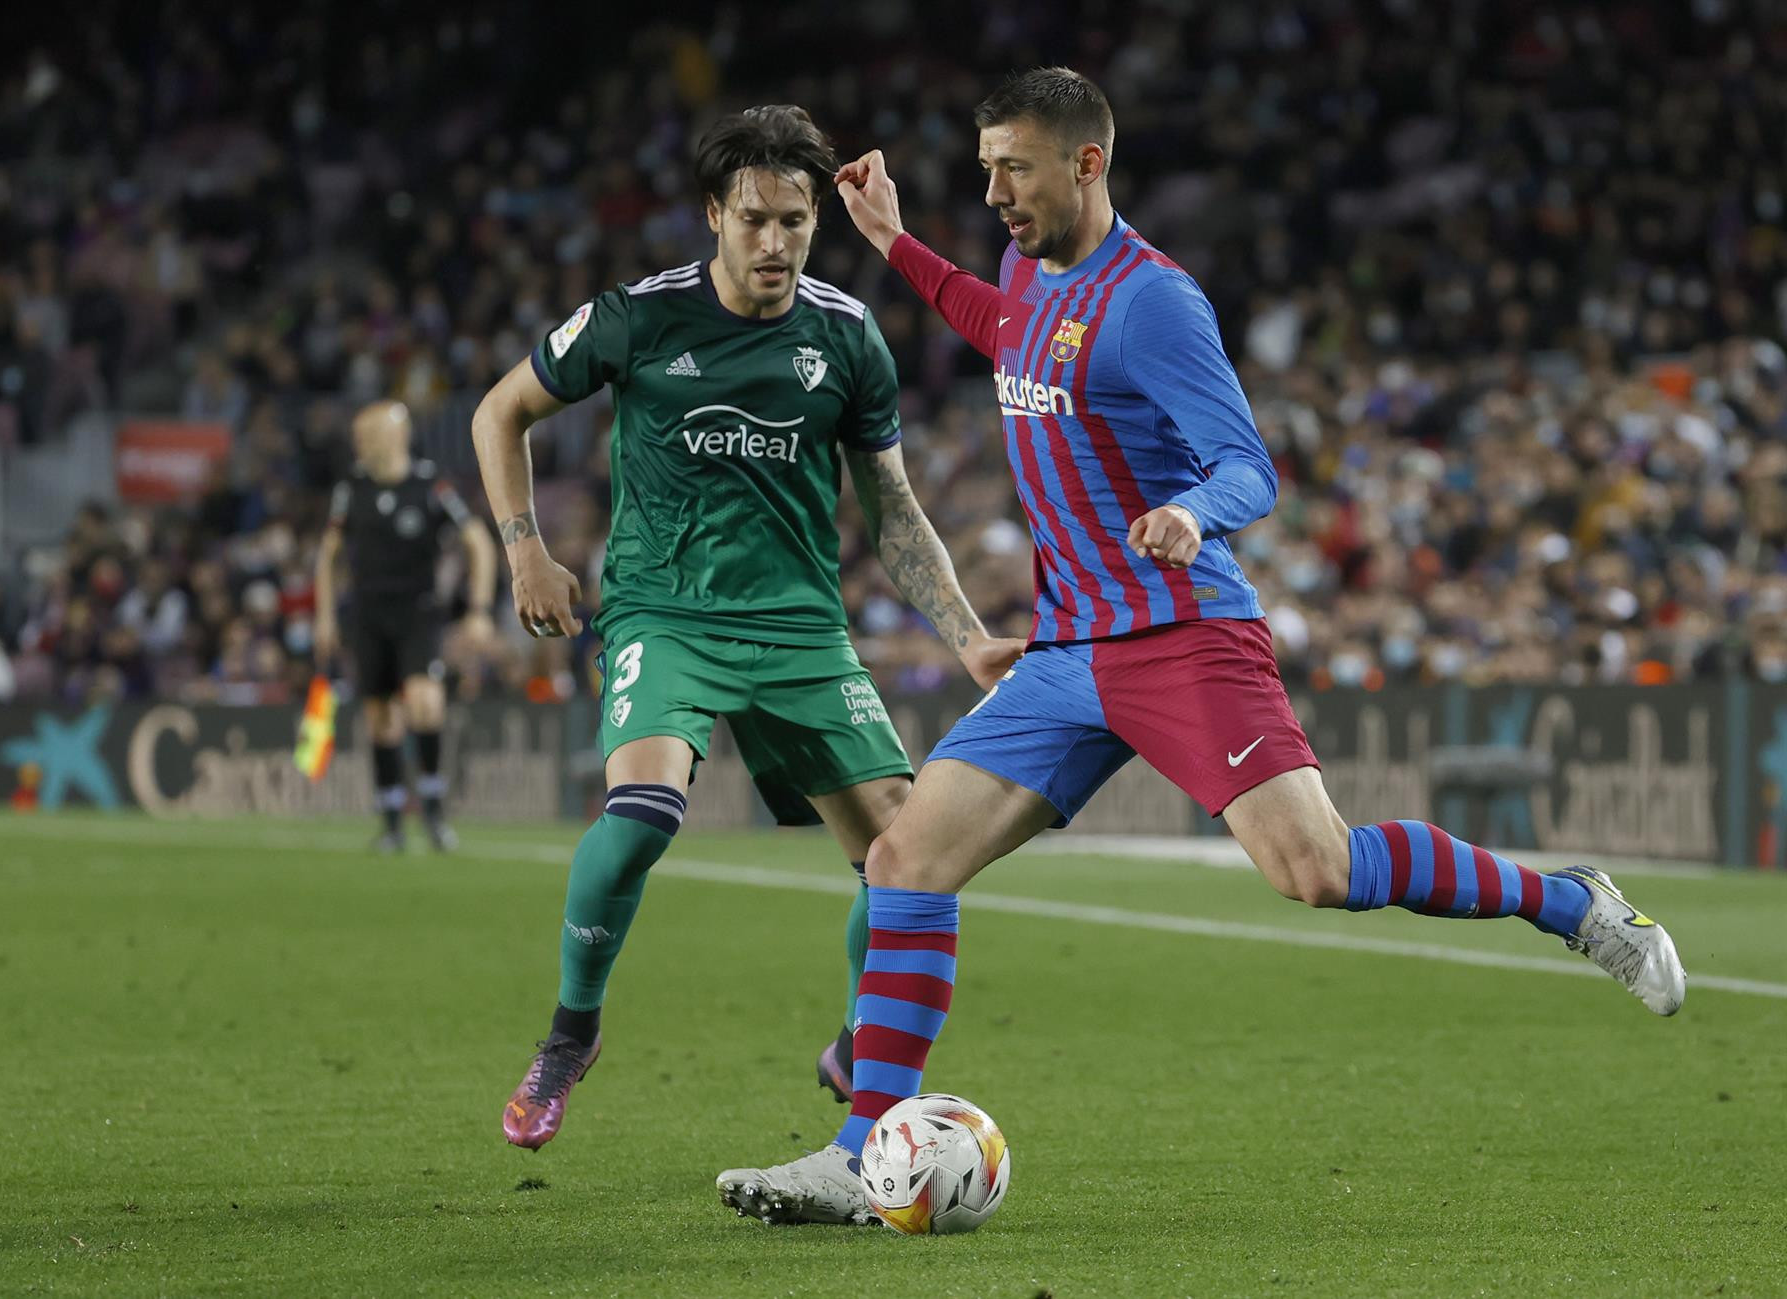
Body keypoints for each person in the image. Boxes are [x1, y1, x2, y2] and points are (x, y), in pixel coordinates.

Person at [715, 67, 1686, 1226]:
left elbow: (1248, 464)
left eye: (1012, 168)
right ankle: (858, 1148)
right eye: (984, 170)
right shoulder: (1029, 265)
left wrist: (1193, 514)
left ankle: (1567, 900)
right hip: (1070, 648)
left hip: (1182, 633)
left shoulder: (1156, 302)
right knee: (904, 864)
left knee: (1315, 872)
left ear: (1086, 163)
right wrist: (899, 245)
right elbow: (1006, 328)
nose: (995, 193)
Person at [471, 105, 1021, 1152]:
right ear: (714, 213)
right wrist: (523, 548)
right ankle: (571, 1033)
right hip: (665, 609)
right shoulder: (638, 317)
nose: (775, 244)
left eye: (796, 222)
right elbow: (500, 413)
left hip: (801, 626)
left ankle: (867, 1045)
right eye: (756, 219)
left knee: (908, 850)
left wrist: (968, 636)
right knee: (642, 811)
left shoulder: (848, 337)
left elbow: (895, 513)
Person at [314, 400, 496, 852]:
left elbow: (478, 542)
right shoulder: (350, 488)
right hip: (367, 614)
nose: (358, 444)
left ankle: (433, 809)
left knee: (425, 703)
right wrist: (324, 616)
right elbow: (328, 555)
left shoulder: (431, 485)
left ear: (394, 435)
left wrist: (479, 609)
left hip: (417, 612)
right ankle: (392, 821)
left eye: (365, 434)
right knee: (380, 718)